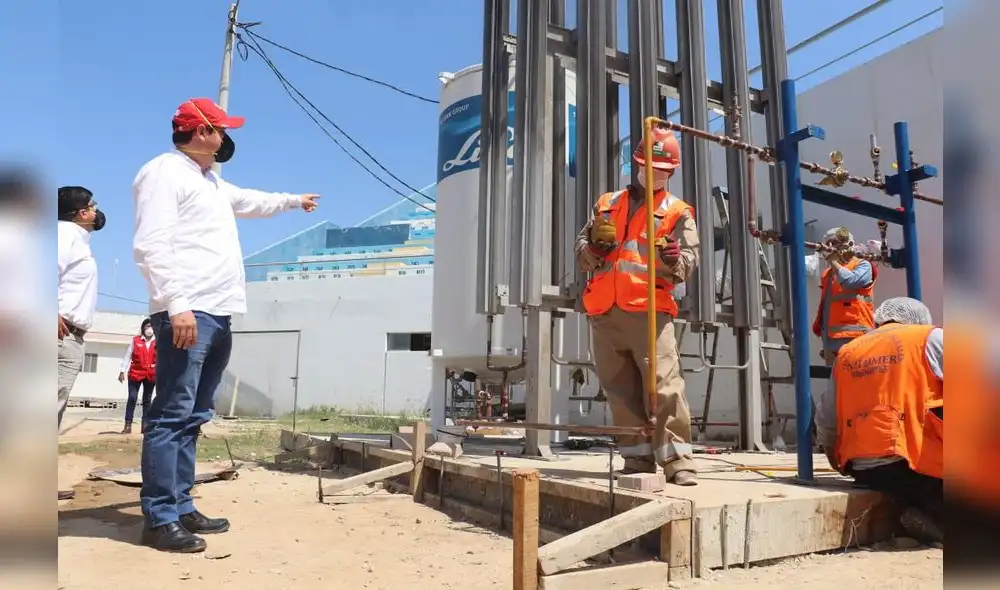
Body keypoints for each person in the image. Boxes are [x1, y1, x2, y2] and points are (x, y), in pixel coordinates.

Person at [132, 98, 320, 553]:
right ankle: (159, 518)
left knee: (194, 415)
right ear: (201, 132)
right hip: (188, 311)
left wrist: (294, 201)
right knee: (171, 415)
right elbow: (150, 244)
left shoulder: (210, 181)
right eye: (221, 129)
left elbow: (251, 201)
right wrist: (176, 306)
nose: (227, 139)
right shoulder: (163, 172)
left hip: (217, 312)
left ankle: (181, 504)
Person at [574, 125, 700, 487]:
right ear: (637, 164)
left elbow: (687, 266)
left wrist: (673, 259)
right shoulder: (607, 203)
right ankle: (637, 458)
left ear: (671, 172)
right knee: (618, 387)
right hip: (604, 311)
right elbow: (581, 250)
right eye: (649, 167)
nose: (655, 174)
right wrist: (593, 251)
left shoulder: (678, 212)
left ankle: (678, 462)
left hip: (649, 311)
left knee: (664, 384)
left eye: (663, 170)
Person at [815, 297, 943, 544]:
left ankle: (931, 518)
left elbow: (825, 419)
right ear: (920, 321)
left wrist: (835, 459)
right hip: (918, 460)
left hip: (864, 468)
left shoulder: (848, 352)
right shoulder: (928, 337)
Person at [58, 186, 104, 500]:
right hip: (60, 335)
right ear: (81, 213)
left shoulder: (75, 238)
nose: (97, 209)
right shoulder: (65, 235)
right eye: (92, 205)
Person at [811, 227, 878, 365]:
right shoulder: (828, 273)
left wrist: (833, 262)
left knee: (857, 380)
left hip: (858, 337)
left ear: (850, 245)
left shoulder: (863, 265)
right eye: (829, 244)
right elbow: (826, 305)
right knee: (836, 383)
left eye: (835, 243)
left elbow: (850, 282)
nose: (831, 248)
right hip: (832, 339)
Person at [118, 317, 157, 434]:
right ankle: (128, 425)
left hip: (150, 374)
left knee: (147, 400)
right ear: (143, 329)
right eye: (147, 327)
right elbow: (127, 355)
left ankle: (145, 426)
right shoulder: (136, 340)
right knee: (132, 398)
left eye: (151, 326)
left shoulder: (158, 342)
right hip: (135, 374)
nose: (149, 329)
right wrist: (122, 371)